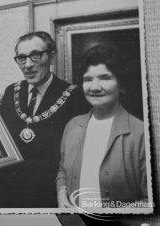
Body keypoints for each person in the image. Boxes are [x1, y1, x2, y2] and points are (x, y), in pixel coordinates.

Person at [0, 31, 89, 208]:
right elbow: (0, 140)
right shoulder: (11, 91)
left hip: (47, 194)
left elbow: (75, 158)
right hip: (6, 192)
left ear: (52, 56)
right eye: (21, 58)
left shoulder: (75, 95)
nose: (27, 65)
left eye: (35, 56)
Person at [56, 43, 147, 210]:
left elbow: (149, 201)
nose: (94, 87)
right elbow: (62, 170)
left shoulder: (141, 134)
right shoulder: (72, 126)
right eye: (88, 79)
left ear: (122, 85)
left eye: (105, 78)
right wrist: (61, 194)